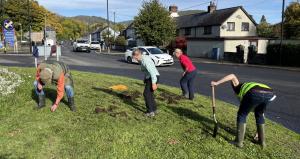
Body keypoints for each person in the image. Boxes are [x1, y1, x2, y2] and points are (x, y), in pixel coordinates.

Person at [211, 74, 276, 148]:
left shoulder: (238, 88)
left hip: (254, 92)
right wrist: (258, 133)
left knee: (242, 114)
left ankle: (239, 142)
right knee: (259, 114)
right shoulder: (246, 87)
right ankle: (262, 142)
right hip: (270, 93)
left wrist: (217, 83)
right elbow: (262, 115)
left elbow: (232, 76)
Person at [132, 49, 160, 117]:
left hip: (153, 77)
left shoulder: (145, 60)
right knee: (150, 94)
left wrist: (154, 83)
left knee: (146, 94)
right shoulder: (144, 58)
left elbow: (152, 72)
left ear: (137, 55)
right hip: (151, 77)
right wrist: (145, 78)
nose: (134, 59)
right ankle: (154, 109)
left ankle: (150, 112)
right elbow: (147, 71)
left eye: (134, 57)